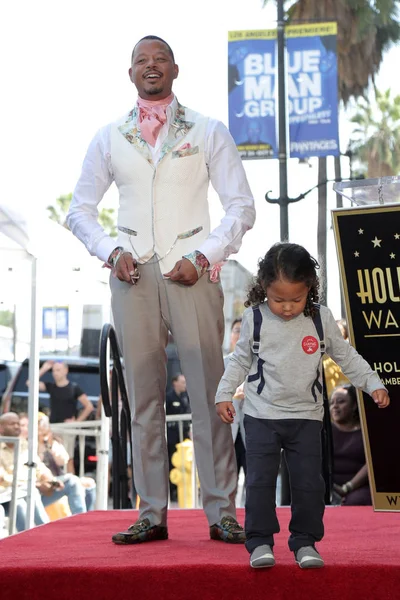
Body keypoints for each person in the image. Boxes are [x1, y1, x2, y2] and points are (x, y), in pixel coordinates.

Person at [67, 35, 255, 545]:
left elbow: (241, 206)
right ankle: (151, 511)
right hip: (132, 274)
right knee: (143, 396)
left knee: (210, 393)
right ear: (130, 73)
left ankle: (221, 512)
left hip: (191, 272)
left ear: (176, 69)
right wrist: (110, 251)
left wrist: (205, 255)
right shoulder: (110, 136)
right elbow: (79, 210)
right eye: (141, 61)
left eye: (160, 59)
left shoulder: (209, 130)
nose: (151, 67)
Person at [215, 242, 390, 569]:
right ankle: (260, 542)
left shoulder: (320, 319)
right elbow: (239, 361)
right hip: (261, 415)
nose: (286, 307)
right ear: (264, 287)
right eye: (278, 299)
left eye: (295, 299)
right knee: (259, 482)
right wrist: (224, 393)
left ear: (310, 288)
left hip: (307, 417)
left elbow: (347, 357)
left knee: (310, 483)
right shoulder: (254, 318)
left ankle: (305, 542)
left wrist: (373, 384)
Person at [0, 412, 87, 530]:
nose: (17, 427)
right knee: (28, 495)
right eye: (12, 424)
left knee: (72, 481)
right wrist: (35, 484)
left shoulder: (24, 445)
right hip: (10, 497)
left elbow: (39, 467)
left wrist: (49, 481)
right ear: (1, 428)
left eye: (18, 424)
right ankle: (46, 532)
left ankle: (81, 525)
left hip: (35, 490)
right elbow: (3, 479)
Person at [27, 360, 94, 471]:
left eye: (58, 370)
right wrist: (44, 369)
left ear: (65, 370)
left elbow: (89, 406)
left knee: (68, 459)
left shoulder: (74, 388)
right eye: (53, 371)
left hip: (67, 429)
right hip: (53, 427)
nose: (55, 373)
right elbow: (30, 383)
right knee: (51, 457)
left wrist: (77, 422)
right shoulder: (51, 387)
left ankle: (71, 482)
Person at [37, 413, 96, 511]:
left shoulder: (53, 443)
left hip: (57, 478)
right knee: (73, 481)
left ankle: (87, 516)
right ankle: (80, 518)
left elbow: (62, 460)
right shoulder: (29, 445)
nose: (42, 428)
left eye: (45, 425)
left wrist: (50, 446)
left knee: (89, 483)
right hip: (45, 483)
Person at [330, 384, 371, 505]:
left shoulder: (366, 430)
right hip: (329, 487)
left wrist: (347, 488)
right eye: (332, 403)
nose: (335, 406)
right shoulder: (324, 430)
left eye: (341, 402)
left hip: (359, 487)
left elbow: (371, 464)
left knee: (356, 501)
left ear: (354, 405)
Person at [225, 319, 246, 497]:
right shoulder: (222, 364)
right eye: (236, 330)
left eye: (244, 330)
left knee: (254, 480)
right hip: (229, 430)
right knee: (227, 481)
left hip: (252, 429)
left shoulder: (259, 363)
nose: (239, 334)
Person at [165, 374, 191, 502]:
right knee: (171, 463)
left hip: (184, 438)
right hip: (172, 437)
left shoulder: (186, 397)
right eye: (182, 382)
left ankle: (181, 491)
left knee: (185, 464)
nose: (184, 385)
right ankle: (171, 491)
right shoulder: (169, 397)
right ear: (175, 383)